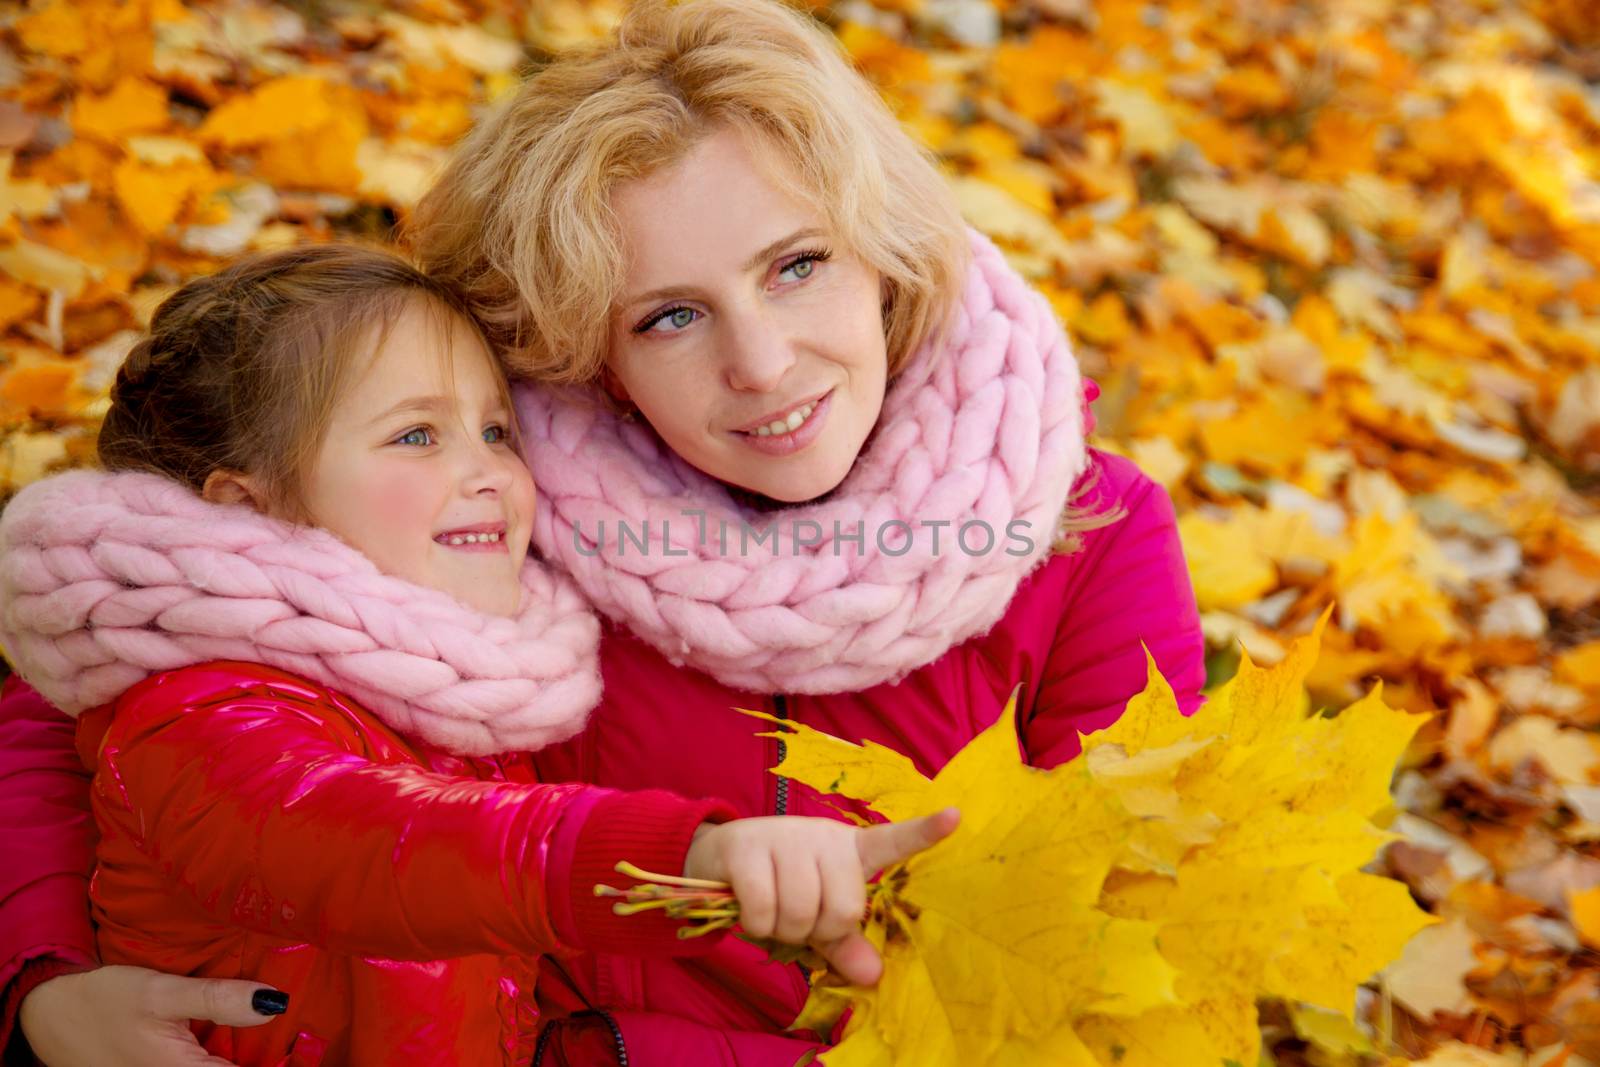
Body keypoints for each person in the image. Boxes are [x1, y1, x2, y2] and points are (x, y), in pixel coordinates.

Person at [1, 0, 1206, 1063]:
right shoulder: (497, 484)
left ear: (884, 256)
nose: (762, 362)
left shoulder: (1087, 532)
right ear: (596, 355)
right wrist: (43, 989)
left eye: (797, 266)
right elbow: (109, 671)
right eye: (672, 315)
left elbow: (1135, 957)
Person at [0, 243, 956, 1065]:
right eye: (417, 434)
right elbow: (367, 838)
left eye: (497, 430)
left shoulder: (480, 667)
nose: (488, 471)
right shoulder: (205, 713)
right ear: (249, 508)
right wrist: (689, 854)